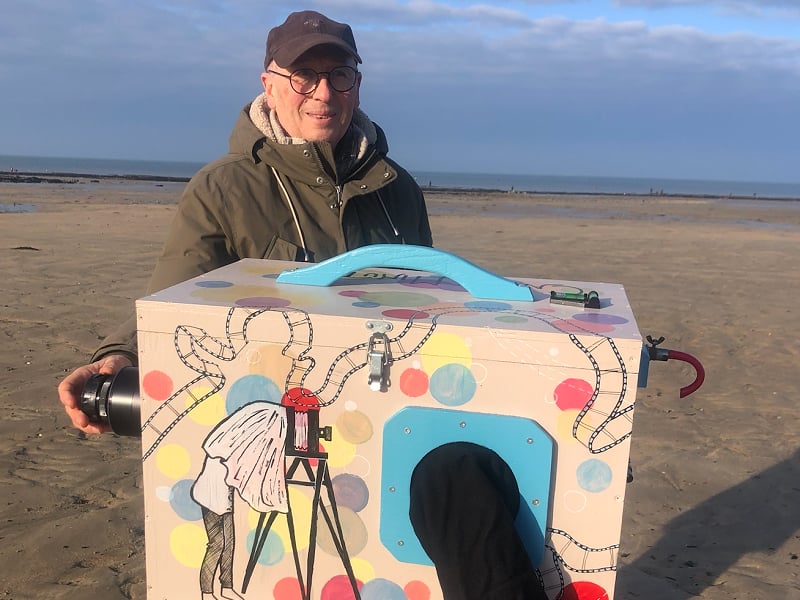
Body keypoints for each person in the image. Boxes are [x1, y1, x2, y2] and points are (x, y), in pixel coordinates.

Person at [57, 10, 546, 600]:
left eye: (338, 75)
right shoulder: (223, 188)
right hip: (279, 419)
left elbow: (427, 304)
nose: (322, 93)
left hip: (387, 416)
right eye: (302, 76)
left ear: (356, 85)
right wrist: (117, 355)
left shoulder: (399, 189)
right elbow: (174, 294)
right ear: (269, 83)